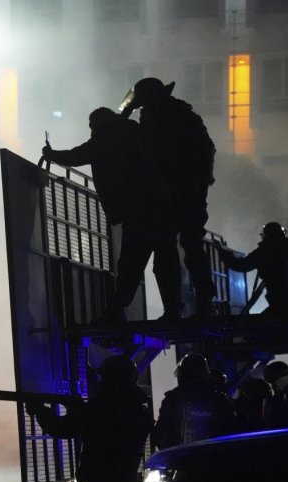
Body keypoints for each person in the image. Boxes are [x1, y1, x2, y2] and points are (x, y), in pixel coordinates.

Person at [42, 107, 179, 322]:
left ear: (98, 125)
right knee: (165, 260)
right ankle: (172, 311)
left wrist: (51, 154)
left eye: (92, 127)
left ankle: (115, 310)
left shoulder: (105, 138)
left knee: (130, 262)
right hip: (160, 205)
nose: (91, 131)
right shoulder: (133, 132)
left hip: (137, 210)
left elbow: (77, 155)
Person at [120, 78, 218, 316]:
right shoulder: (183, 116)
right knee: (189, 246)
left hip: (172, 194)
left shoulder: (159, 120)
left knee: (167, 249)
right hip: (188, 192)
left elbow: (118, 125)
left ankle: (179, 307)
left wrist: (127, 108)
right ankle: (202, 303)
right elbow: (208, 150)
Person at [218, 222, 288, 315]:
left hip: (281, 305)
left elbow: (241, 265)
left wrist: (223, 254)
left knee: (259, 330)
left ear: (265, 236)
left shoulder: (264, 252)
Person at [151, 352, 241, 451]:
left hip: (180, 460)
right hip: (212, 460)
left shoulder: (173, 399)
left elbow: (160, 433)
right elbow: (232, 432)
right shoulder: (219, 400)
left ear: (182, 374)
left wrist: (171, 454)